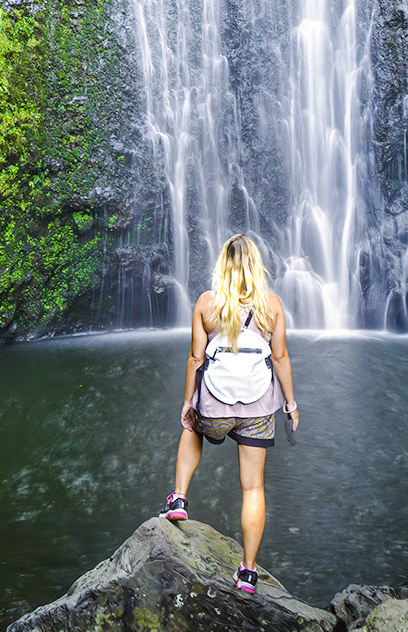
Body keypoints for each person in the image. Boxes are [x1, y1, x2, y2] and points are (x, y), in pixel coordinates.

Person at [160, 233, 299, 595]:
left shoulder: (208, 303)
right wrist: (291, 404)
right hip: (257, 409)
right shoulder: (271, 305)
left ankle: (179, 498)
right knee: (253, 487)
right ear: (256, 264)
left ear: (223, 265)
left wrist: (188, 402)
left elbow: (196, 358)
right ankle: (249, 572)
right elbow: (280, 357)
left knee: (192, 427)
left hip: (215, 407)